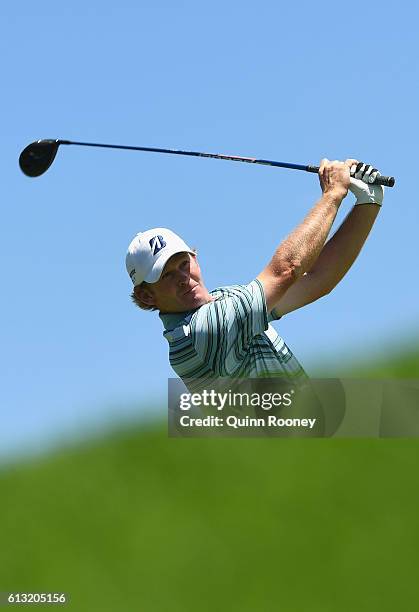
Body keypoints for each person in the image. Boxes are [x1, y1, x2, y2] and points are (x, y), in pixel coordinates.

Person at [125, 159, 384, 398]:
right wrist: (333, 194)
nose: (183, 278)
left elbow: (318, 279)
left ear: (195, 257)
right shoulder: (195, 334)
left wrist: (368, 202)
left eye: (184, 264)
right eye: (167, 274)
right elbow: (287, 270)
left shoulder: (225, 301)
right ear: (147, 295)